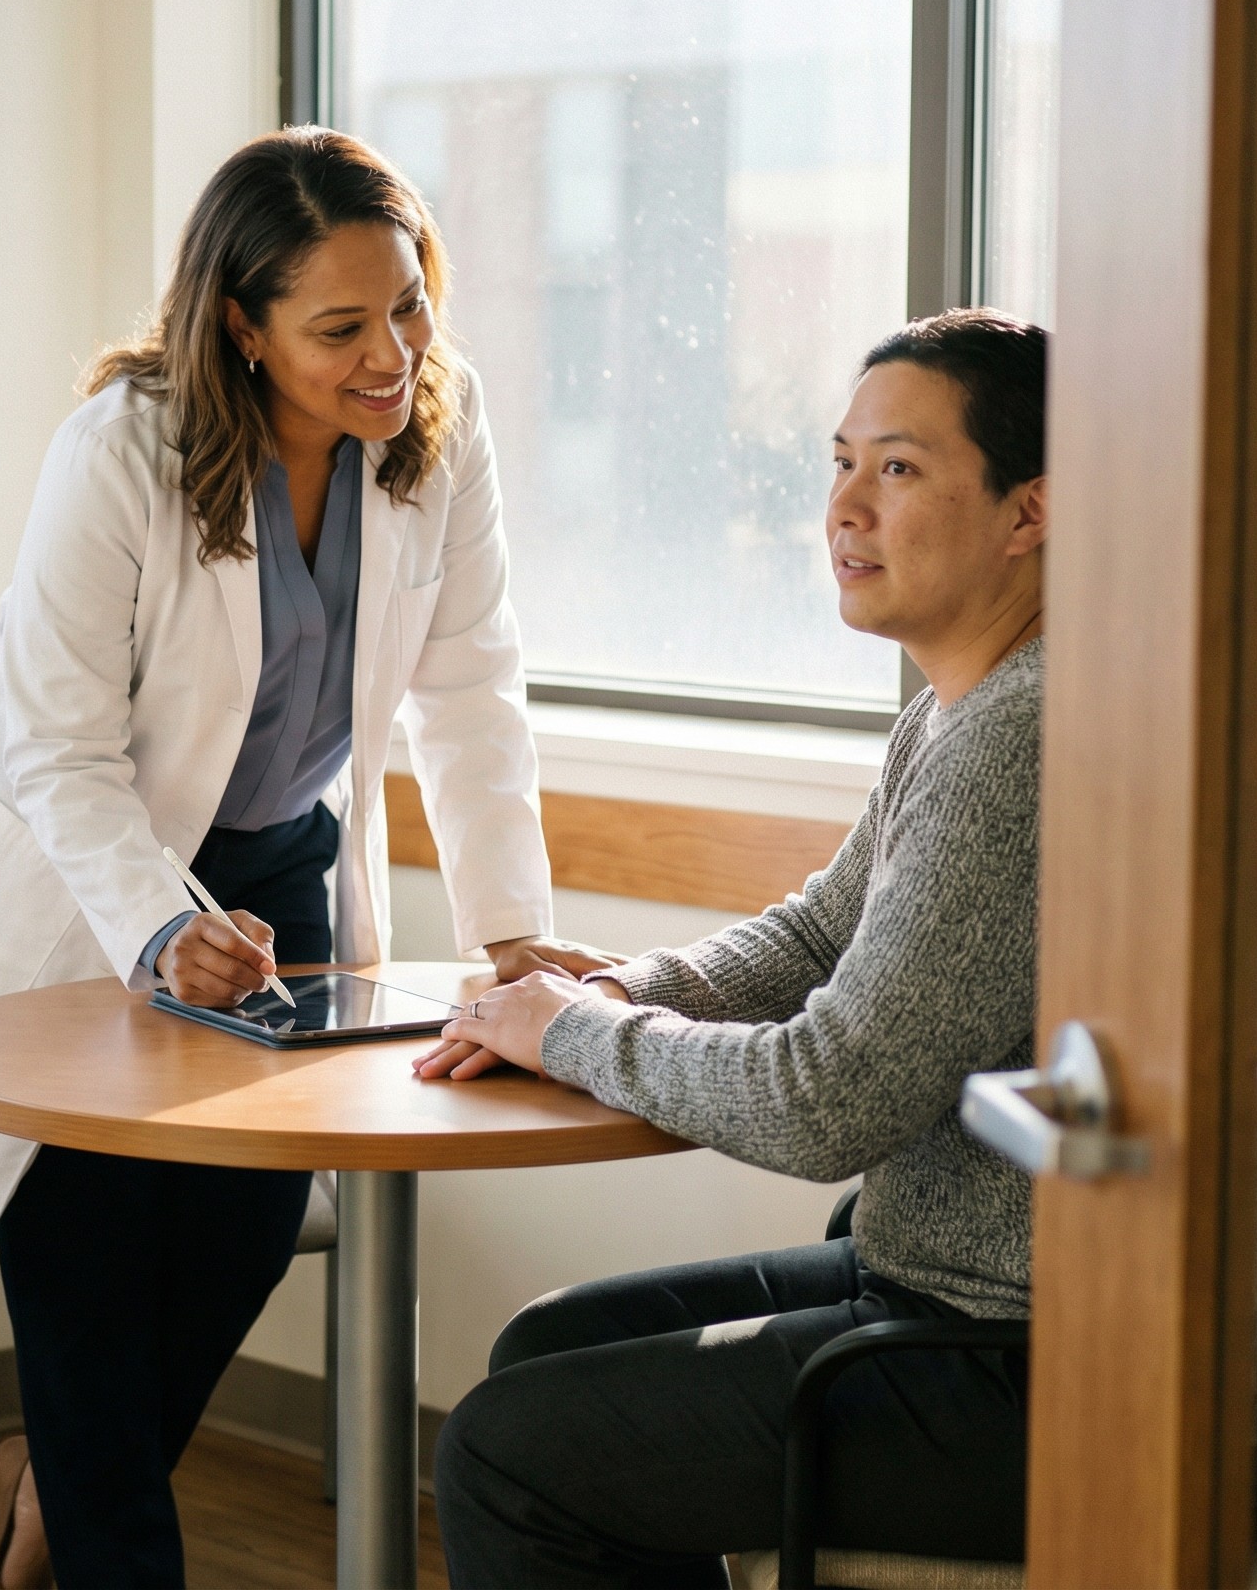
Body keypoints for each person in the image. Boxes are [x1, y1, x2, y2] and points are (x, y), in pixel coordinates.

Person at [0, 126, 618, 1590]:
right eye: (340, 327)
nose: (391, 351)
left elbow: (469, 684)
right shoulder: (122, 451)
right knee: (81, 1230)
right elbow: (57, 746)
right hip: (68, 871)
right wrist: (150, 925)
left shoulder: (440, 431)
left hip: (273, 863)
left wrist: (515, 932)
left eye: (409, 303)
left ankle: (57, 1487)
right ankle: (104, 1538)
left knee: (248, 1217)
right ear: (240, 328)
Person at [416, 308, 1051, 1586]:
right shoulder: (968, 702)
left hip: (1032, 1365)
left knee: (503, 1451)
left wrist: (579, 1035)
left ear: (1028, 514)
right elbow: (824, 929)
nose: (845, 509)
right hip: (947, 1290)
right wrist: (614, 987)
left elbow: (828, 1100)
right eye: (840, 461)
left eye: (901, 468)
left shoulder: (1021, 739)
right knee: (544, 1352)